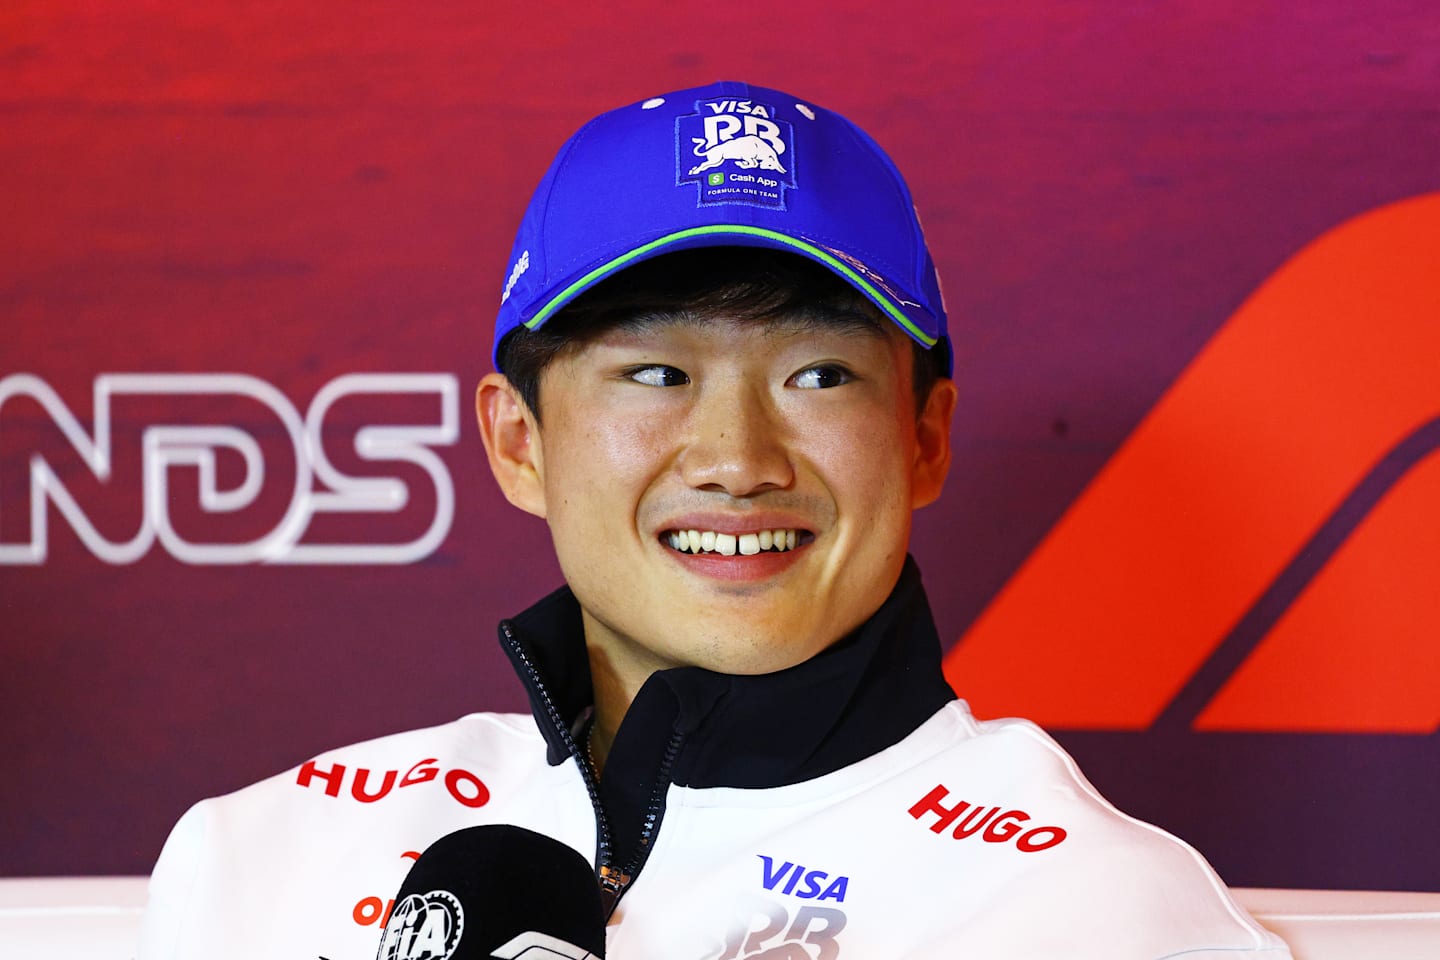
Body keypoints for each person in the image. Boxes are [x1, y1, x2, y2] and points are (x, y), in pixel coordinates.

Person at [138, 81, 1292, 959]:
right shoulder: (263, 858)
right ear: (516, 441)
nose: (739, 462)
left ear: (925, 437)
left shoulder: (1086, 912)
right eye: (654, 373)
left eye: (820, 377)